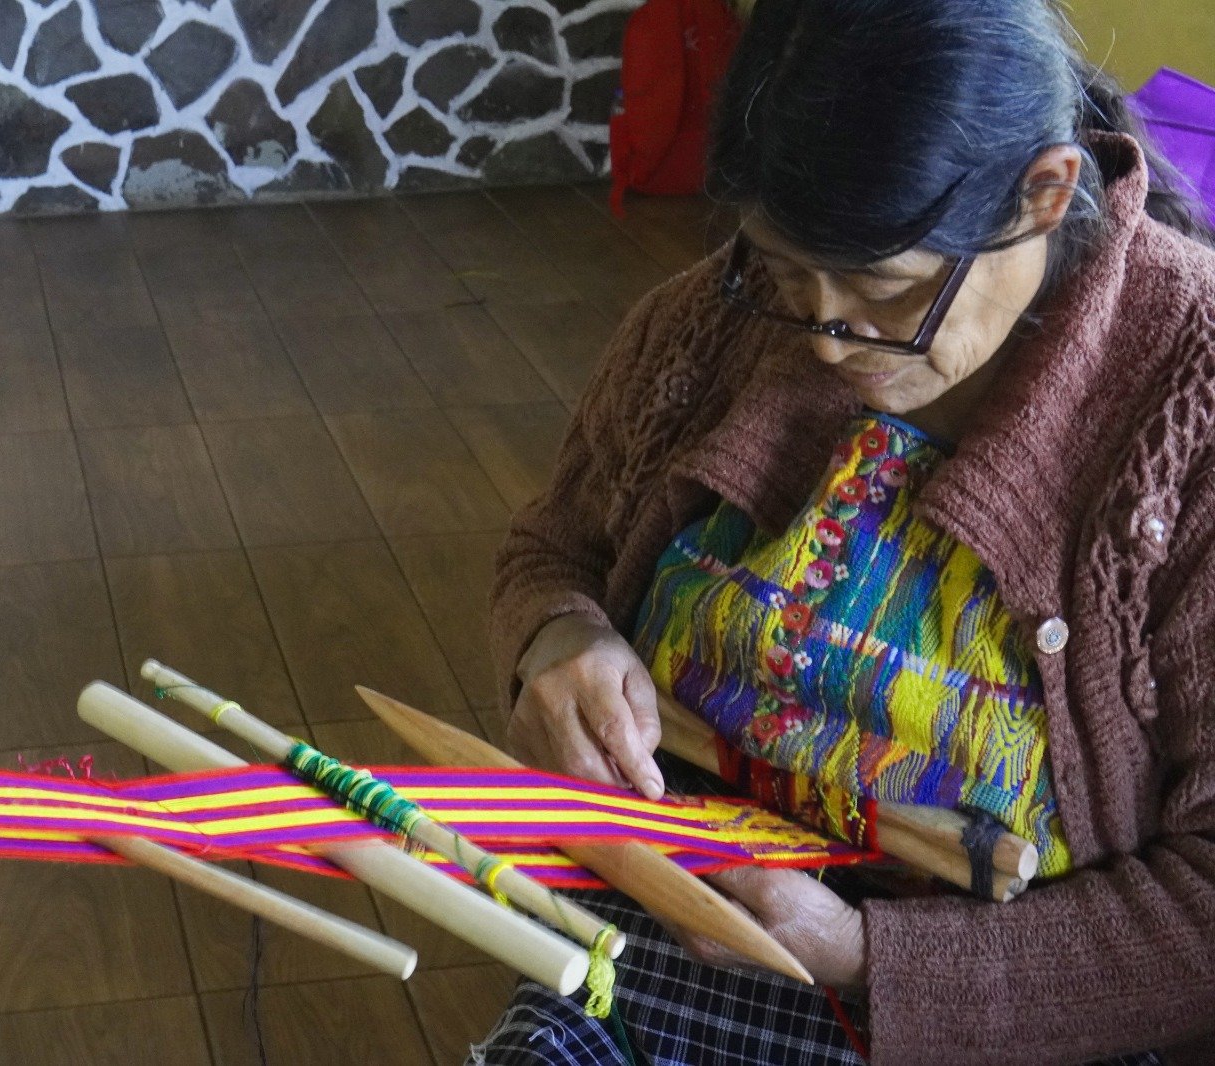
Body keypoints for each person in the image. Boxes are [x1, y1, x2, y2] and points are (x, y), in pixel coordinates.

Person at [475, 1, 1215, 1063]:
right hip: (659, 930)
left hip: (1011, 1008)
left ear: (1045, 193)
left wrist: (868, 954)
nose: (825, 341)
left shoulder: (1188, 409)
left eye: (886, 292)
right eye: (779, 271)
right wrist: (558, 636)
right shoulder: (712, 323)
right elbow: (553, 547)